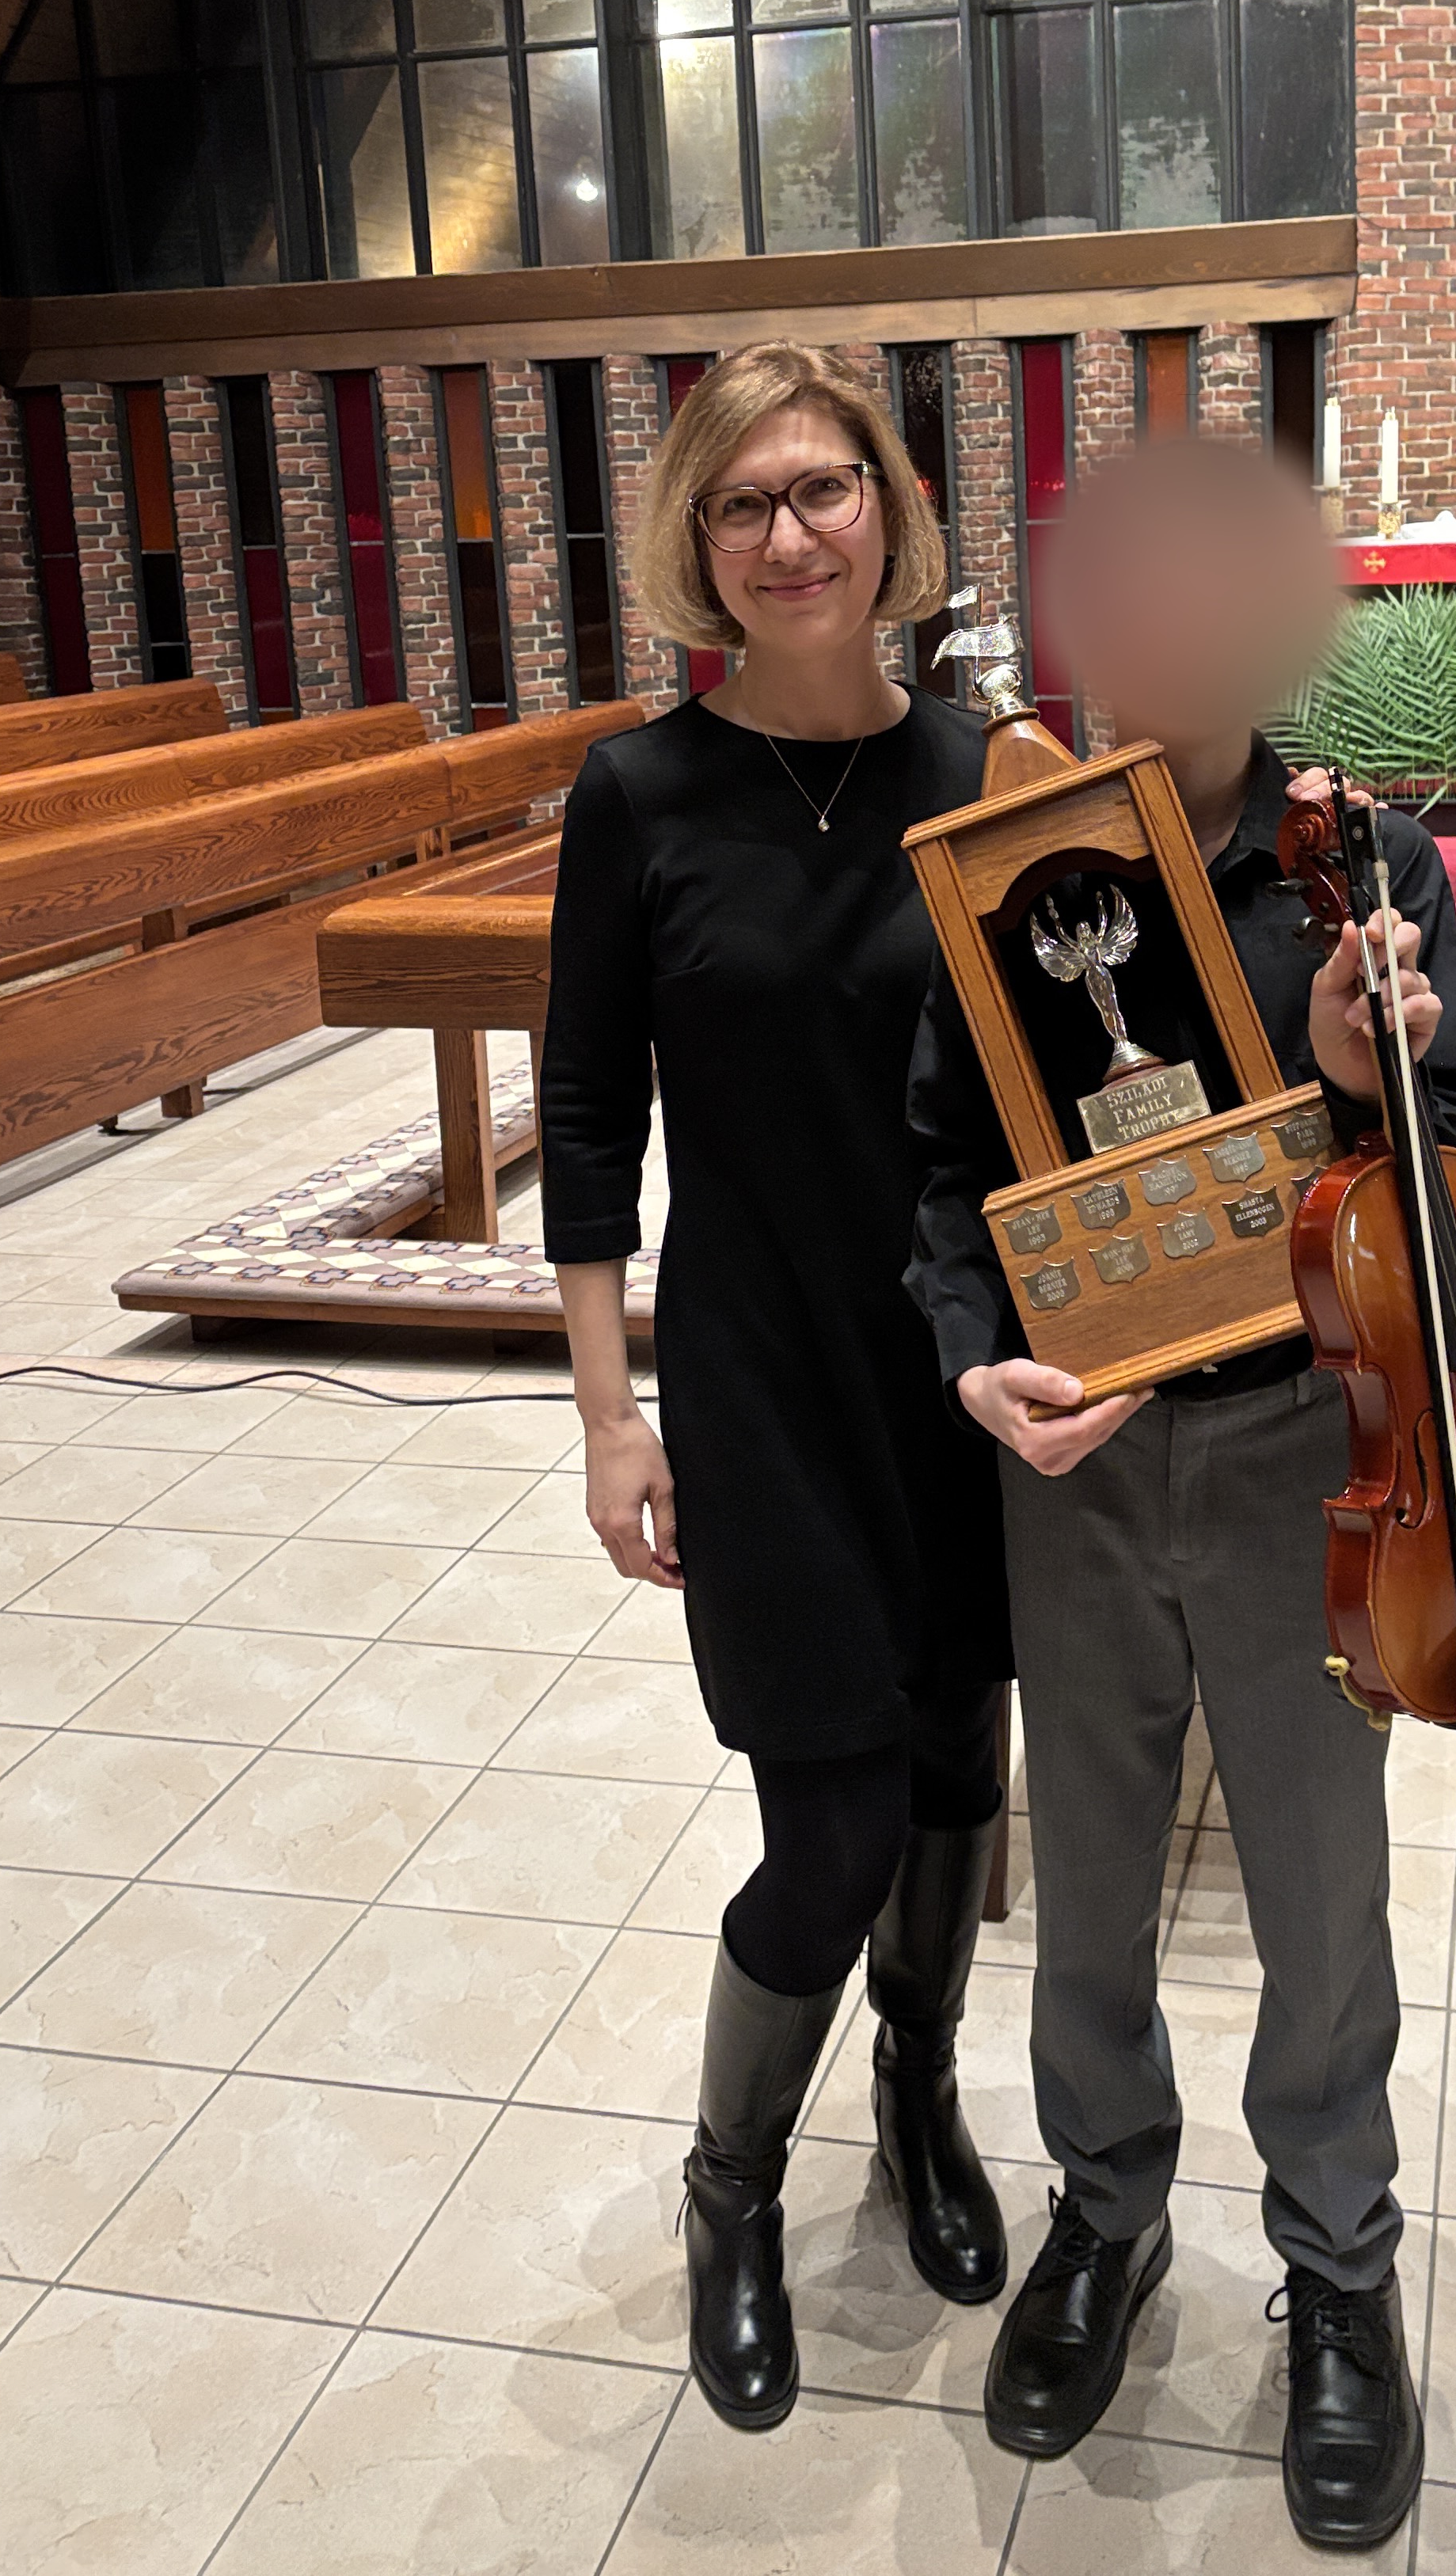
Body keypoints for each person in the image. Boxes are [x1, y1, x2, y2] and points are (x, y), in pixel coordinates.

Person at [905, 443, 1456, 2553]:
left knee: (1323, 1896)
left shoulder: (1373, 864)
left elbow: (1448, 1172)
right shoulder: (1008, 860)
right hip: (1074, 1454)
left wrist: (1364, 1067)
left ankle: (1338, 2275)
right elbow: (942, 1168)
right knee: (1089, 1878)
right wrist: (976, 1341)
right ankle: (1108, 2213)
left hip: (1294, 1457)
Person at [538, 344, 1013, 2435]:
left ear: (889, 517)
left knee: (953, 1791)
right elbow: (581, 1129)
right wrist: (605, 1414)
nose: (790, 534)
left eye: (822, 490)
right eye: (745, 504)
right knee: (821, 1830)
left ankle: (916, 2094)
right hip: (751, 1378)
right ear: (698, 544)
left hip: (969, 1374)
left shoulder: (988, 770)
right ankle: (733, 2192)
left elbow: (1068, 1083)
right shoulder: (639, 797)